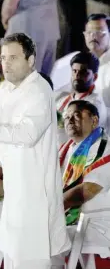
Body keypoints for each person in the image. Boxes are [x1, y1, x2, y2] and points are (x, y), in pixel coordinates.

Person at [0, 32, 71, 268]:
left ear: (31, 60)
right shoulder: (6, 88)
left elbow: (26, 135)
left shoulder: (39, 90)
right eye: (3, 58)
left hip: (34, 193)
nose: (5, 63)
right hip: (14, 188)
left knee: (31, 258)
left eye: (13, 58)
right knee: (11, 257)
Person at [61, 101, 110, 248]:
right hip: (66, 217)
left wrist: (50, 208)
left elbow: (87, 190)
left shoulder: (105, 148)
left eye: (76, 116)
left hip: (94, 223)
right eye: (66, 116)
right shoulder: (66, 148)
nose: (69, 121)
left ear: (94, 121)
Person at [1, 0, 60, 76]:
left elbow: (11, 3)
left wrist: (5, 21)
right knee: (44, 78)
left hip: (26, 26)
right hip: (50, 26)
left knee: (22, 78)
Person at [55, 52, 107, 146]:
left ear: (94, 77)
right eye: (74, 71)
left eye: (83, 72)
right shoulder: (63, 98)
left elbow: (76, 131)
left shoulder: (94, 104)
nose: (77, 75)